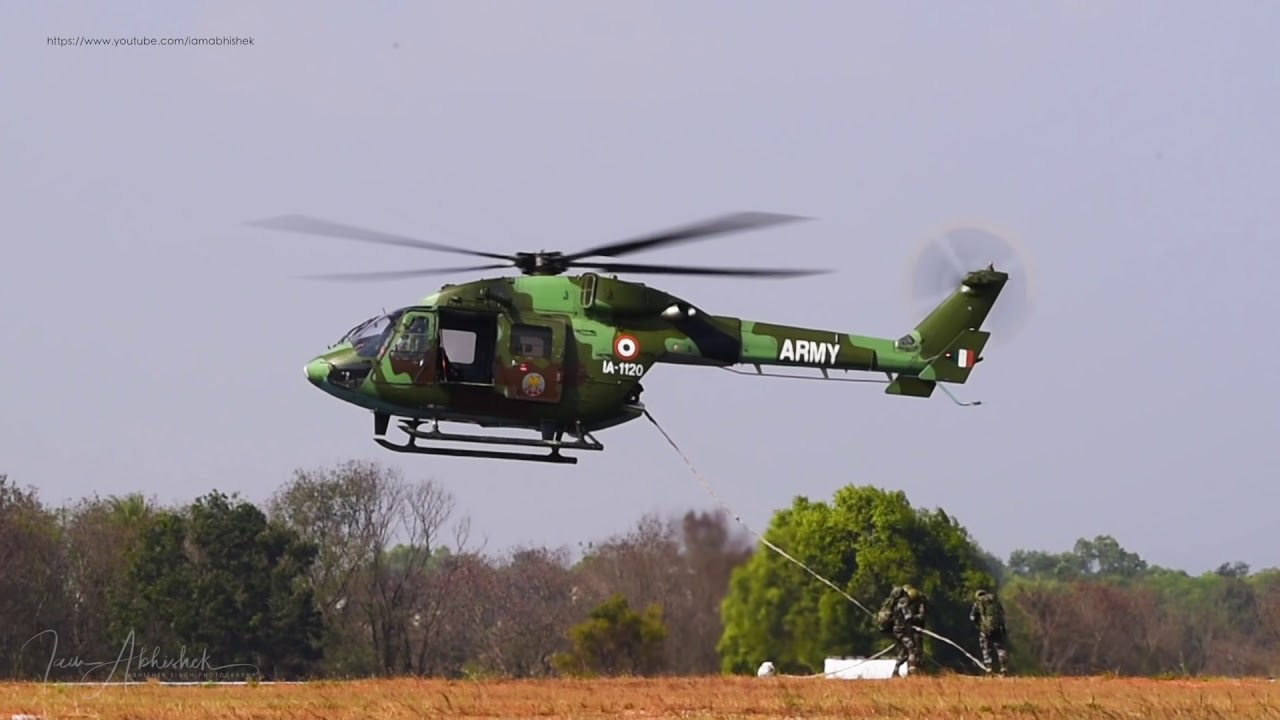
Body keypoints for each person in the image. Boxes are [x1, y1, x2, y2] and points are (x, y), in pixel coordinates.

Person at [969, 589, 1009, 675]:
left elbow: (972, 617)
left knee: (986, 648)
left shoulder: (978, 602)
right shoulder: (994, 601)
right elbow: (1002, 613)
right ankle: (1003, 667)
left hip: (985, 629)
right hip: (998, 628)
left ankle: (989, 668)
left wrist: (979, 624)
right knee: (1000, 648)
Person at [891, 585, 926, 676]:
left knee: (904, 652)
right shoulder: (903, 604)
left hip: (902, 630)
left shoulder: (898, 603)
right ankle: (912, 671)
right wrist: (917, 616)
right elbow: (908, 617)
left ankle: (896, 671)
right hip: (901, 631)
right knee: (911, 647)